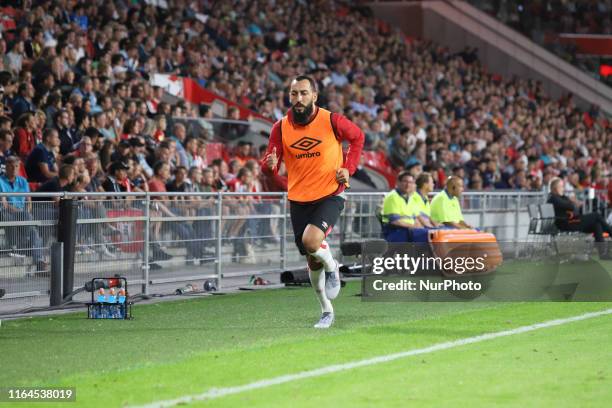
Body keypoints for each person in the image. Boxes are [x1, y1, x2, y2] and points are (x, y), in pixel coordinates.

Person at [262, 75, 364, 329]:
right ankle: (326, 311)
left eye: (304, 93)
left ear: (314, 96)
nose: (298, 98)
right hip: (298, 198)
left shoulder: (331, 120)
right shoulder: (280, 127)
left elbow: (358, 137)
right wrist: (268, 167)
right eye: (294, 94)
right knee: (311, 258)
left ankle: (333, 266)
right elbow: (268, 167)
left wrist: (348, 168)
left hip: (330, 193)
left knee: (311, 242)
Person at [0, 156, 47, 274]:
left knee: (32, 227)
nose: (14, 168)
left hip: (22, 212)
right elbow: (4, 203)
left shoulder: (23, 181)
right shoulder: (0, 181)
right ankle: (24, 244)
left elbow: (28, 200)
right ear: (6, 166)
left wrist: (27, 211)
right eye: (11, 165)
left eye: (16, 166)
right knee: (14, 219)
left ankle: (39, 261)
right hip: (7, 212)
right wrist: (19, 212)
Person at [547, 177, 611, 259]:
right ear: (555, 189)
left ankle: (603, 254)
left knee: (596, 224)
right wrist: (572, 202)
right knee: (596, 215)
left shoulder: (560, 197)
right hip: (567, 224)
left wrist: (572, 202)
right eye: (561, 186)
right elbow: (570, 206)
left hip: (573, 221)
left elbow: (572, 205)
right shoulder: (553, 198)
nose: (563, 188)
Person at [381, 172, 423, 242]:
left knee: (433, 234)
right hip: (396, 232)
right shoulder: (392, 197)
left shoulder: (409, 198)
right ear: (398, 183)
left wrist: (420, 227)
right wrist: (414, 226)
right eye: (405, 181)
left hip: (409, 231)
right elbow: (395, 221)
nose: (408, 185)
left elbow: (415, 218)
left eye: (410, 182)